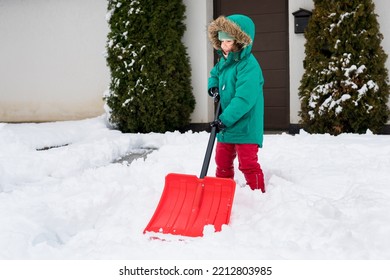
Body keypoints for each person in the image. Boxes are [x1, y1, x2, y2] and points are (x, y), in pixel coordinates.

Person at [207, 14, 265, 192]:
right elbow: (215, 74)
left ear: (241, 41)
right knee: (222, 162)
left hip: (245, 124)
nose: (224, 45)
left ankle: (258, 194)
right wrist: (213, 87)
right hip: (226, 124)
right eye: (221, 41)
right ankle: (222, 193)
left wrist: (224, 120)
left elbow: (244, 98)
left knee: (247, 163)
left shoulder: (249, 66)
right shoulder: (225, 61)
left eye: (229, 41)